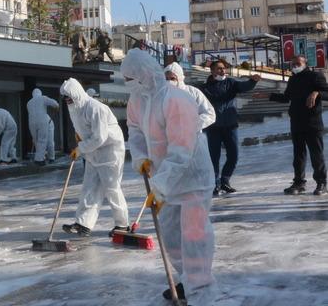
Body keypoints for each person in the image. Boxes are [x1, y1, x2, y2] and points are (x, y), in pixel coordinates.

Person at [122, 49, 217, 305]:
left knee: (194, 233)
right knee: (171, 233)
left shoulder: (176, 100)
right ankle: (188, 279)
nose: (127, 83)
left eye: (130, 78)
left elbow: (181, 149)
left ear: (143, 75)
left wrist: (161, 185)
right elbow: (134, 129)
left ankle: (201, 290)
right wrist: (141, 157)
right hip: (163, 175)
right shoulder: (137, 100)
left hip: (192, 175)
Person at [59, 78, 130, 238]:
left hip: (110, 150)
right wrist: (80, 140)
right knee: (89, 187)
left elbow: (100, 137)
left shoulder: (96, 108)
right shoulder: (74, 108)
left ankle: (122, 224)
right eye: (65, 97)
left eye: (69, 96)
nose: (67, 100)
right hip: (93, 152)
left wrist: (80, 149)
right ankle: (83, 223)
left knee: (112, 187)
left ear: (76, 93)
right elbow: (83, 130)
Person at [257, 55, 328, 195]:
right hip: (296, 121)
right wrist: (268, 95)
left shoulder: (315, 76)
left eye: (298, 63)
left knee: (316, 154)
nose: (295, 66)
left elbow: (327, 92)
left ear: (305, 63)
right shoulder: (293, 79)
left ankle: (322, 183)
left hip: (313, 122)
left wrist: (316, 92)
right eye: (292, 64)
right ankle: (299, 183)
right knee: (298, 155)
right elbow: (286, 98)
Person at [199, 59, 260, 196]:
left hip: (230, 126)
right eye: (219, 68)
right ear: (212, 71)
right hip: (213, 127)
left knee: (234, 155)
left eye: (224, 68)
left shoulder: (231, 83)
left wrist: (253, 81)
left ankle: (225, 180)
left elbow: (244, 86)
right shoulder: (204, 88)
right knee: (214, 157)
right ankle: (214, 184)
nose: (223, 71)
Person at [164, 62, 216, 130]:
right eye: (166, 79)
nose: (169, 82)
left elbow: (210, 114)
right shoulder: (161, 94)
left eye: (172, 78)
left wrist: (191, 125)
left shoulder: (193, 92)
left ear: (180, 78)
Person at [27, 88, 59, 165]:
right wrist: (57, 105)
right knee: (43, 140)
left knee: (36, 140)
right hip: (43, 121)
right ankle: (40, 159)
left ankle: (45, 157)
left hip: (31, 123)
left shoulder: (29, 103)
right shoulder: (43, 98)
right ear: (40, 93)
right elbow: (54, 103)